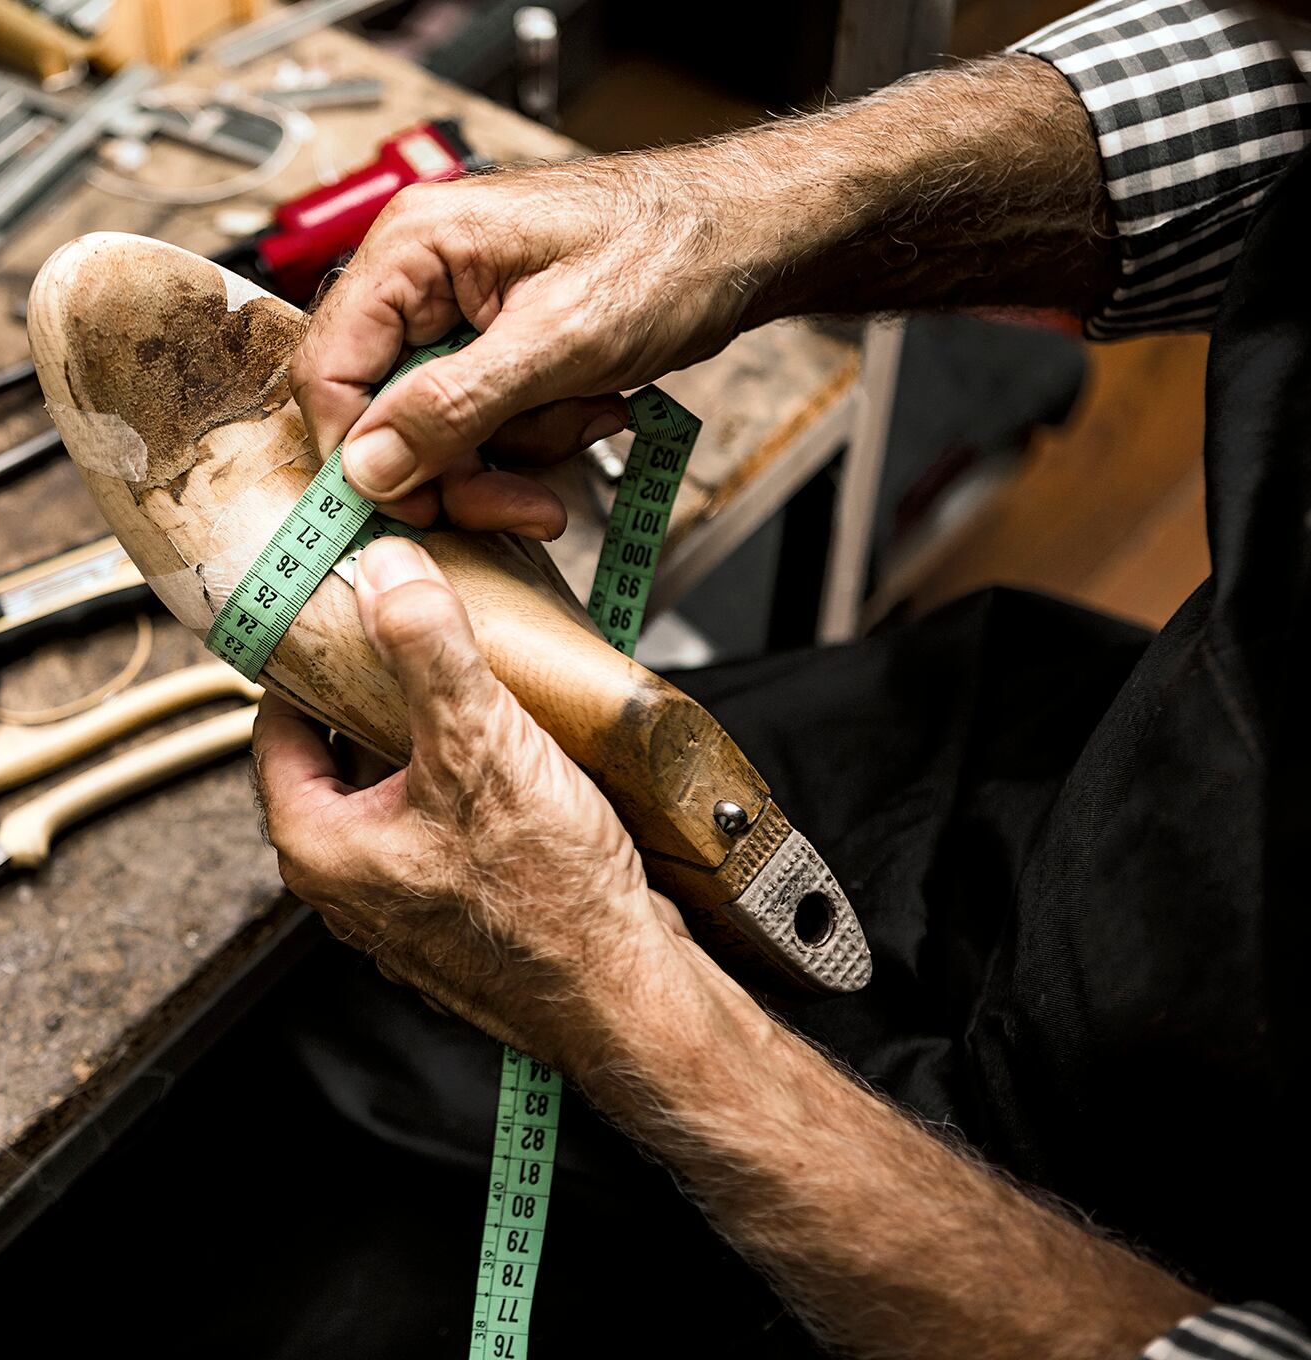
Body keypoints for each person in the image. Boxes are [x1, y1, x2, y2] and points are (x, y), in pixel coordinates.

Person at [252, 1, 1311, 1355]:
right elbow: (1293, 101)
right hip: (1152, 777)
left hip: (1153, 1231)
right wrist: (737, 210)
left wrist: (617, 994)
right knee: (361, 994)